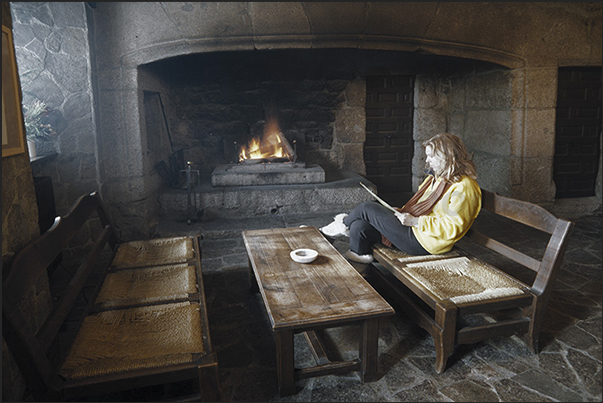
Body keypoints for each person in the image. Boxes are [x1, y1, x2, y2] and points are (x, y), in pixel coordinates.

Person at [320, 132, 482, 264]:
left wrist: (416, 221)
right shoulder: (439, 178)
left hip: (425, 242)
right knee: (359, 226)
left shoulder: (465, 187)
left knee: (367, 208)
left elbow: (452, 228)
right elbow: (420, 206)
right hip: (415, 230)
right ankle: (362, 273)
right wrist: (401, 212)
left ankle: (330, 234)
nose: (427, 161)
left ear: (446, 156)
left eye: (431, 156)